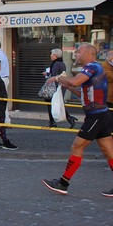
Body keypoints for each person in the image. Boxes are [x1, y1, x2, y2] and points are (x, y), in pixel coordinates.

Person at [42, 44, 113, 197]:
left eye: (78, 51)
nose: (75, 53)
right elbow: (82, 92)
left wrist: (58, 78)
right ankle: (63, 183)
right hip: (101, 115)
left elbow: (75, 81)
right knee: (109, 152)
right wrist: (65, 85)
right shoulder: (94, 69)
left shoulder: (92, 67)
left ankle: (63, 183)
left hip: (96, 116)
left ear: (88, 53)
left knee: (77, 146)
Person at [43, 48, 77, 128]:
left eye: (51, 54)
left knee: (50, 103)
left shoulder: (56, 64)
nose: (50, 55)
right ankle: (68, 118)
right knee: (57, 102)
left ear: (55, 55)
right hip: (60, 85)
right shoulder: (62, 63)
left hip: (54, 86)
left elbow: (54, 74)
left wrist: (47, 74)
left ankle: (53, 121)